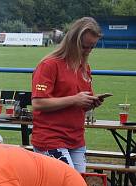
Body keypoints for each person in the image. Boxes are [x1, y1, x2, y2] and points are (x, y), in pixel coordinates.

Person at [31, 17, 104, 173]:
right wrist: (74, 100)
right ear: (73, 41)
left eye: (93, 47)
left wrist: (90, 102)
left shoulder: (84, 67)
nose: (89, 51)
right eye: (85, 46)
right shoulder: (49, 65)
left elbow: (79, 103)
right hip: (51, 138)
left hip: (76, 139)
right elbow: (38, 103)